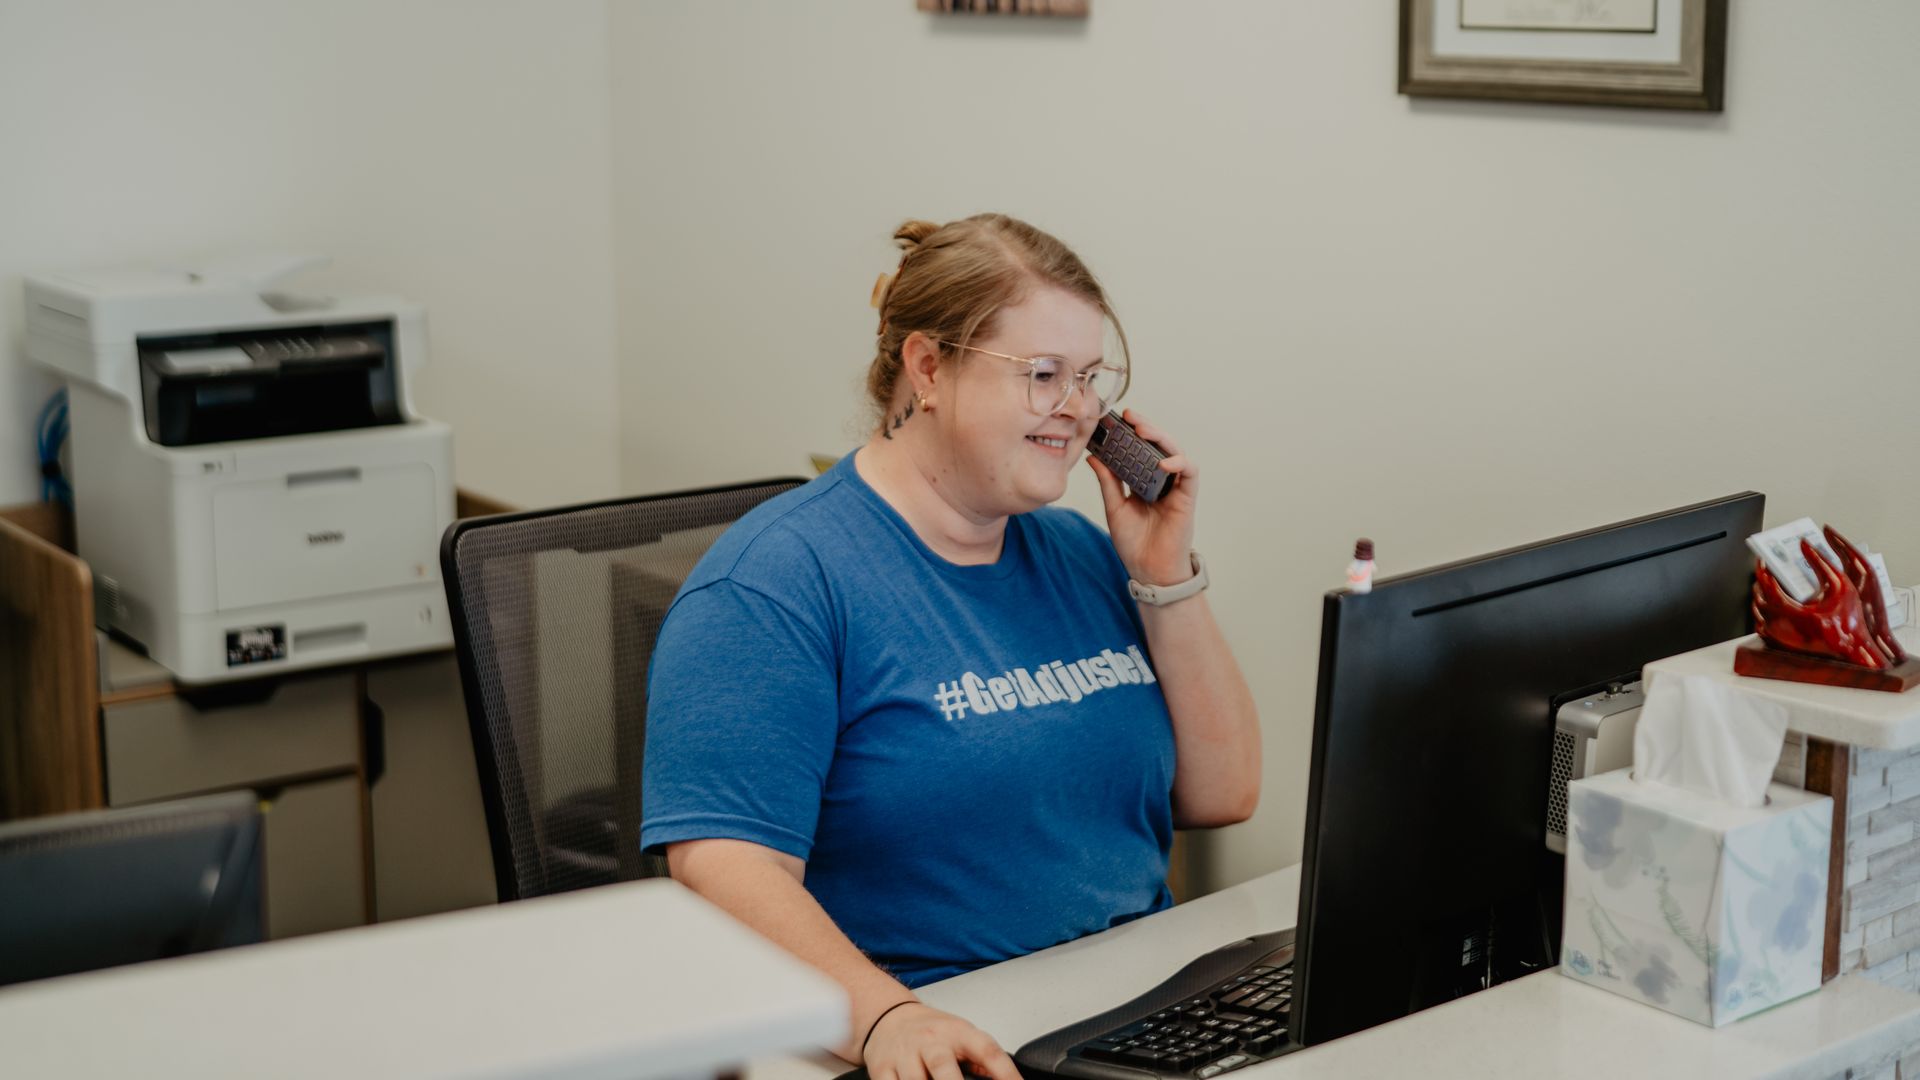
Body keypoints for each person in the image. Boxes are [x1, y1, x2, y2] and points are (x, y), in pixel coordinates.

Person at [640, 213, 1260, 1080]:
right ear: (929, 369)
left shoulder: (1083, 554)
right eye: (1043, 376)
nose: (1079, 410)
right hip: (925, 1032)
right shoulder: (772, 587)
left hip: (1123, 1014)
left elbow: (1224, 791)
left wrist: (1165, 576)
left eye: (1089, 379)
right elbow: (720, 862)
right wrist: (888, 1017)